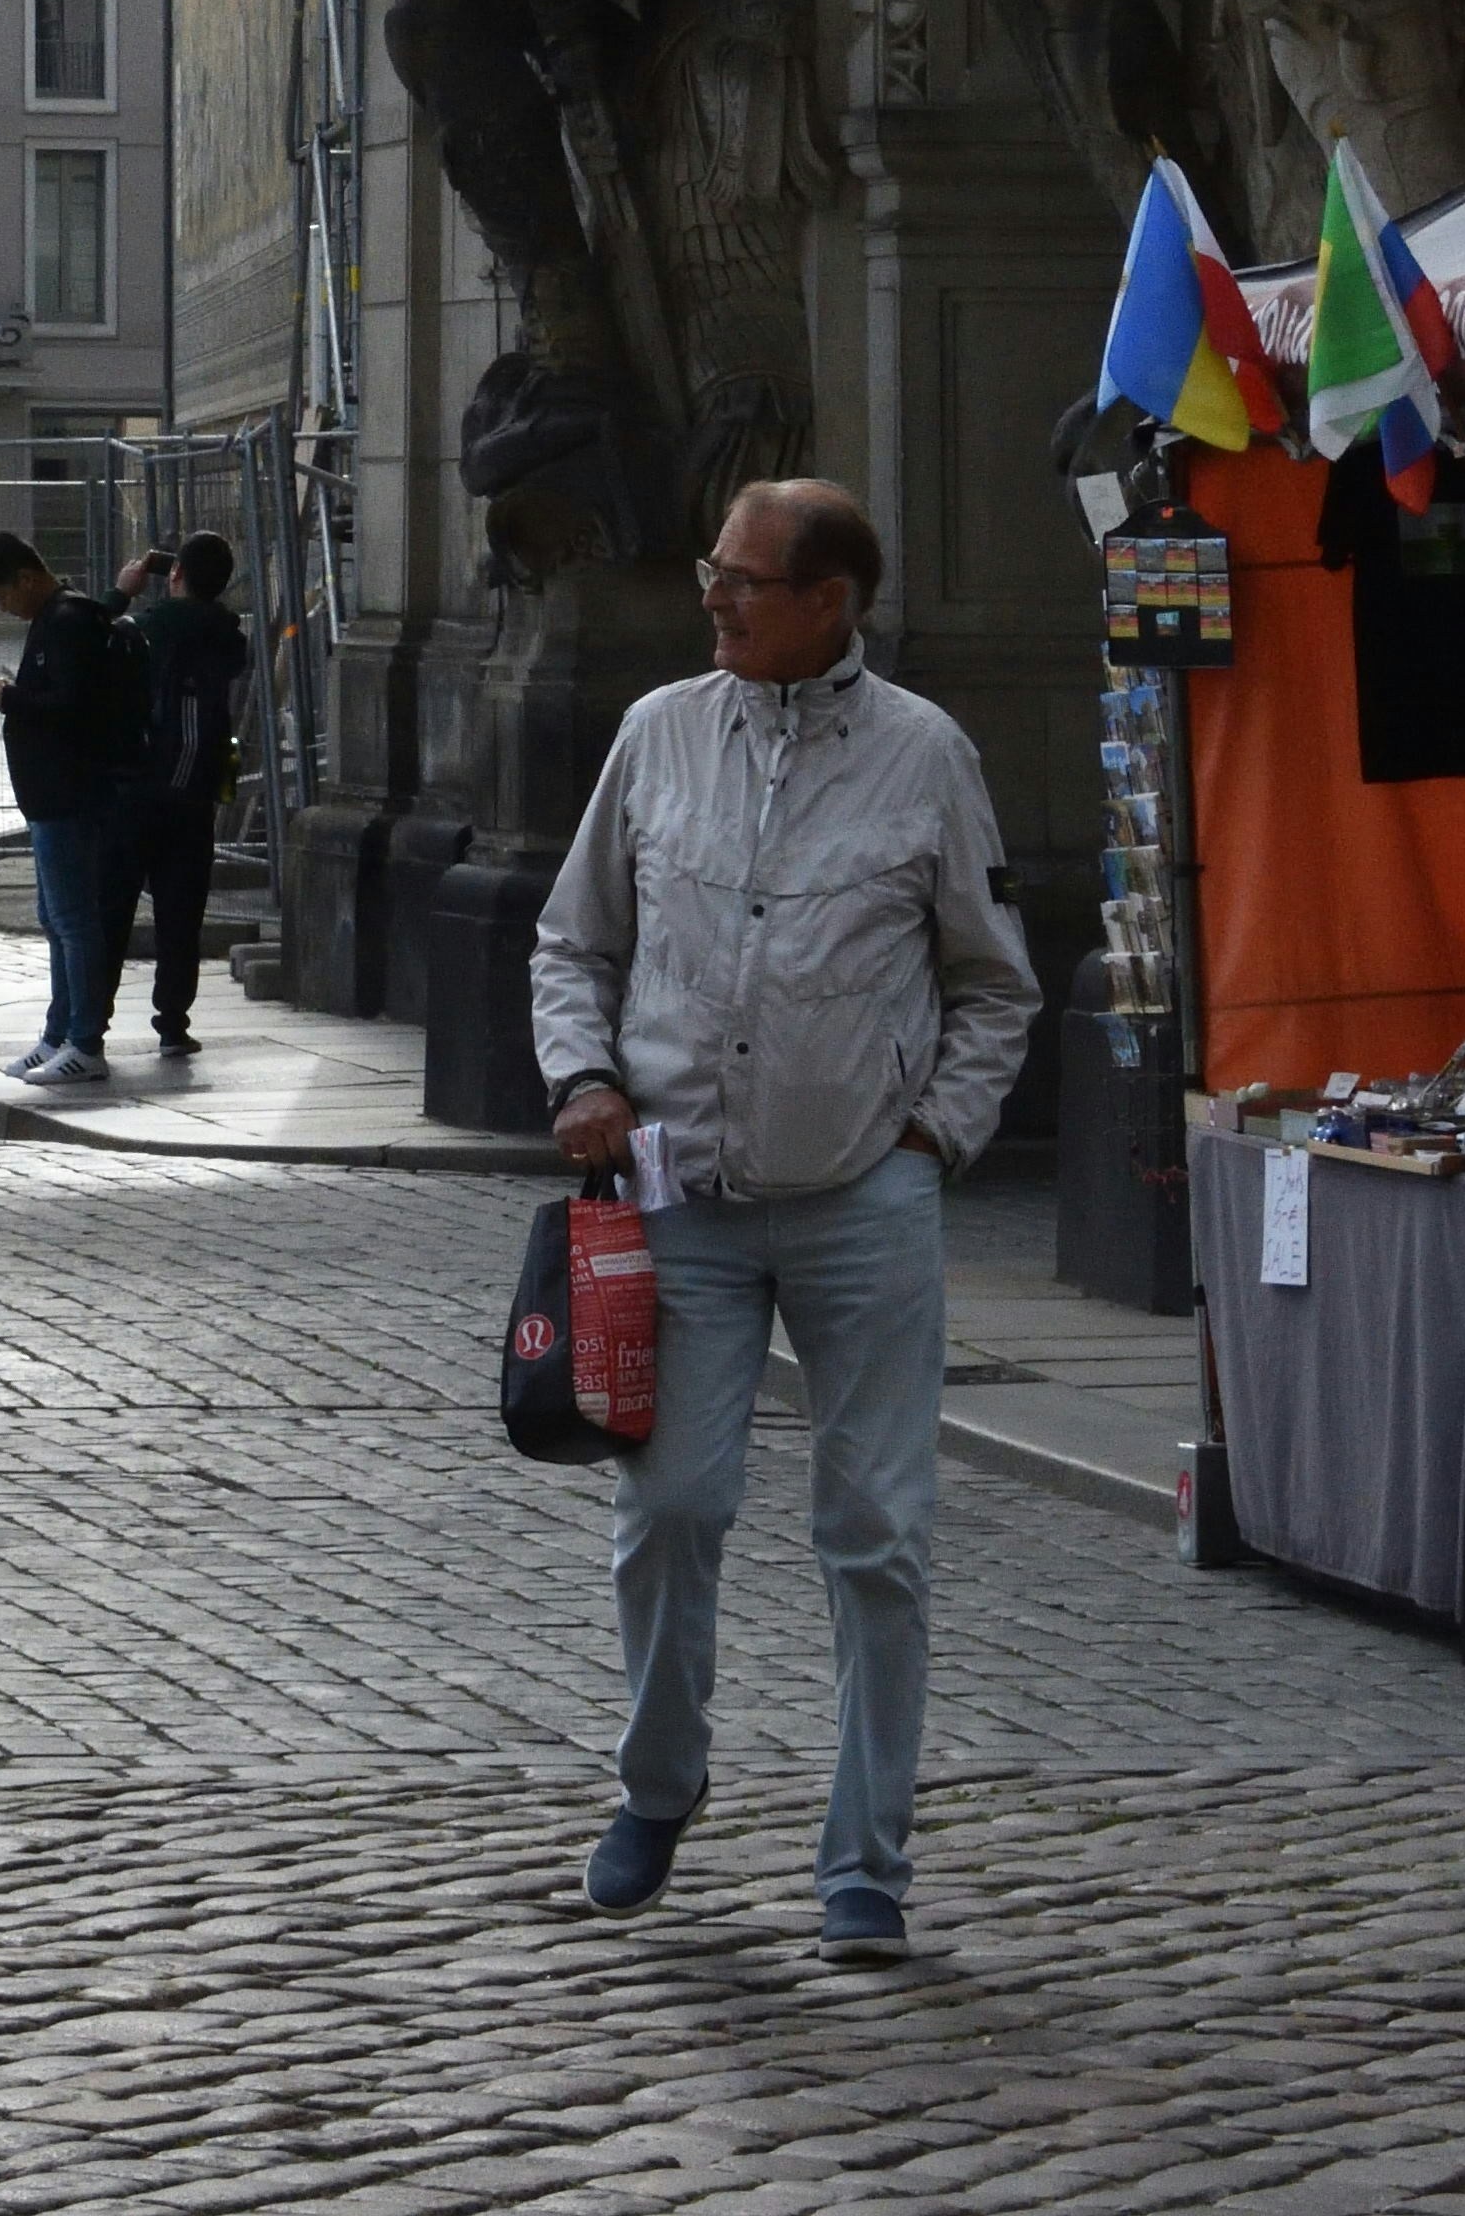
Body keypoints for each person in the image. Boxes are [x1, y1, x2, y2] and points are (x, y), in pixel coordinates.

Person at [531, 479, 1037, 1965]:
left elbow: (994, 981)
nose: (715, 597)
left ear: (832, 602)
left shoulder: (925, 758)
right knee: (671, 1507)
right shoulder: (658, 735)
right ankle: (657, 1788)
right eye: (714, 571)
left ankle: (864, 1865)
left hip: (861, 1200)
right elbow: (576, 940)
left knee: (877, 1530)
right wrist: (582, 1075)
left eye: (745, 579)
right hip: (681, 1195)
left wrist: (933, 1136)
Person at [0, 526, 145, 1091]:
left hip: (69, 796)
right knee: (58, 920)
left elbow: (71, 706)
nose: (3, 607)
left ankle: (84, 1041)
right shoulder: (59, 620)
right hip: (52, 797)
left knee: (73, 923)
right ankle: (59, 1034)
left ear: (26, 578)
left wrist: (6, 696)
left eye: (2, 596)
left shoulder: (66, 623)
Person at [118, 531, 253, 1064]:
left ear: (174, 576)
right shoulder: (228, 637)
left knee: (115, 907)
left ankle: (89, 1026)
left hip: (143, 787)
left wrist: (124, 592)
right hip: (197, 792)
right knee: (182, 914)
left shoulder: (150, 628)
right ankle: (173, 1022)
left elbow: (104, 646)